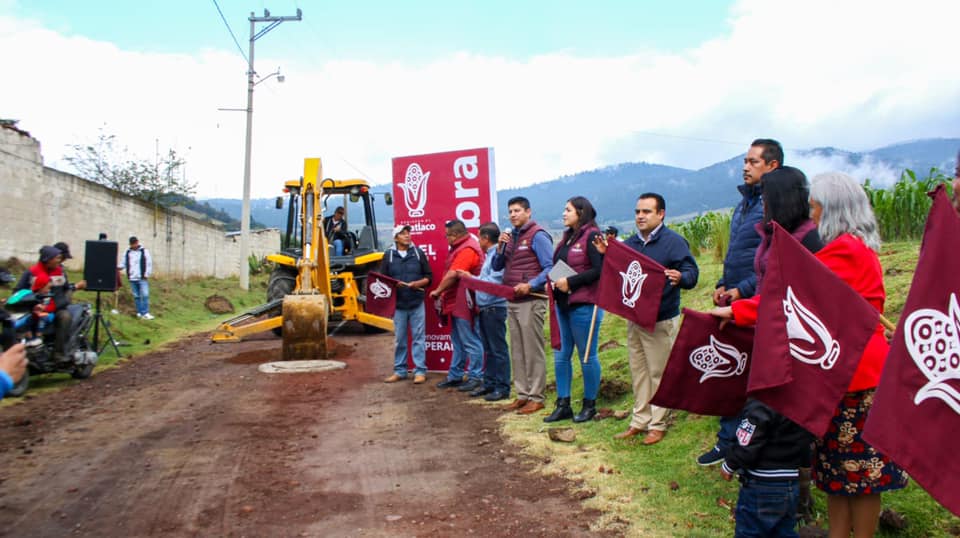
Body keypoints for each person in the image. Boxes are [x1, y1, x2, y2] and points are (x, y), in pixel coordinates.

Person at [710, 166, 824, 522]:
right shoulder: (772, 234)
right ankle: (764, 479)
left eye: (767, 197)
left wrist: (743, 309)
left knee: (788, 412)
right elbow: (765, 286)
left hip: (794, 340)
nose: (762, 205)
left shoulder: (806, 241)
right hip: (765, 326)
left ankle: (794, 496)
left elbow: (792, 298)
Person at [807, 172, 908, 538]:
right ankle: (838, 533)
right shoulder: (854, 247)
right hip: (845, 375)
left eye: (814, 205)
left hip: (859, 379)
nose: (811, 213)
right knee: (839, 469)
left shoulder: (845, 251)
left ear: (832, 208)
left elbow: (796, 297)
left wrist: (738, 312)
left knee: (862, 472)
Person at [699, 138, 781, 467]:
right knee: (730, 370)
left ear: (772, 166)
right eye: (745, 161)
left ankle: (746, 445)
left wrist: (743, 291)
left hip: (755, 301)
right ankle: (726, 441)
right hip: (734, 297)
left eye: (754, 162)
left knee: (751, 375)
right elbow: (738, 252)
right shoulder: (744, 204)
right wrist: (724, 284)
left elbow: (767, 262)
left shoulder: (773, 204)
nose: (746, 167)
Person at [608, 193, 699, 445]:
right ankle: (640, 420)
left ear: (661, 214)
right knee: (639, 371)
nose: (640, 216)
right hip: (635, 318)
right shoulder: (629, 244)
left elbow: (692, 272)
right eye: (638, 211)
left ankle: (658, 424)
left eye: (646, 212)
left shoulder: (673, 242)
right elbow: (616, 270)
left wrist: (681, 277)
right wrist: (606, 253)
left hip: (660, 319)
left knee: (659, 371)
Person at [490, 196, 554, 415]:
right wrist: (500, 246)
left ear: (528, 212)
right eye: (510, 211)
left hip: (532, 300)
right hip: (512, 299)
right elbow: (497, 266)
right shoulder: (510, 237)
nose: (513, 214)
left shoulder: (538, 236)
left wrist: (531, 284)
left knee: (532, 350)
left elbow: (550, 267)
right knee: (517, 349)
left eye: (517, 210)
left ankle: (537, 397)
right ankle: (522, 394)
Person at [545, 197, 604, 423]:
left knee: (587, 355)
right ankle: (563, 403)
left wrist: (572, 282)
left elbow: (599, 270)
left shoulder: (591, 236)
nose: (563, 213)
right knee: (561, 356)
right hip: (562, 304)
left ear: (581, 212)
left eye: (568, 209)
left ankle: (590, 405)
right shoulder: (567, 238)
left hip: (584, 305)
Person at [720, 397, 815, 537]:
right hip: (790, 482)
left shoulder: (762, 402)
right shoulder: (801, 400)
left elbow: (747, 442)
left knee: (749, 531)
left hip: (761, 485)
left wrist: (729, 464)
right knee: (783, 531)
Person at [457, 222, 510, 401]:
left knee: (498, 349)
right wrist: (473, 279)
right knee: (489, 349)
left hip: (495, 306)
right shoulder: (489, 255)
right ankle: (489, 384)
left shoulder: (498, 254)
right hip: (487, 307)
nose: (478, 240)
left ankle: (502, 387)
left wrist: (472, 279)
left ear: (485, 238)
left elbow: (494, 282)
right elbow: (486, 279)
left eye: (479, 237)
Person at [430, 220, 484, 391]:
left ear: (454, 235)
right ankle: (456, 375)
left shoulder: (467, 249)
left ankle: (476, 376)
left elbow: (454, 274)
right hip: (457, 301)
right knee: (459, 340)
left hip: (465, 302)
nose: (446, 239)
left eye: (447, 236)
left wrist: (438, 291)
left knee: (470, 340)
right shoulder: (462, 247)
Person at [381, 225, 433, 384]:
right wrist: (393, 284)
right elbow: (383, 280)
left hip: (416, 302)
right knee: (400, 339)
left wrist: (418, 284)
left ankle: (420, 371)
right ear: (395, 238)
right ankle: (400, 371)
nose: (407, 236)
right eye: (402, 234)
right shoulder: (388, 256)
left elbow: (429, 277)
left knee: (418, 338)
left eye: (408, 233)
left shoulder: (418, 253)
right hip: (398, 305)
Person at [15, 246, 82, 360]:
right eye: (57, 258)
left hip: (56, 308)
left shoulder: (60, 272)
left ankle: (59, 352)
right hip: (34, 308)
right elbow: (18, 291)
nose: (59, 261)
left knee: (65, 317)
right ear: (47, 259)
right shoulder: (31, 273)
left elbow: (65, 288)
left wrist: (61, 302)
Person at [120, 236, 154, 320]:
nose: (133, 245)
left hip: (142, 277)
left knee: (145, 295)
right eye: (132, 244)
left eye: (134, 243)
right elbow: (123, 263)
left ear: (137, 242)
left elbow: (149, 263)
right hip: (132, 278)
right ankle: (139, 312)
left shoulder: (144, 251)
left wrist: (147, 274)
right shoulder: (127, 252)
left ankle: (145, 313)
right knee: (136, 296)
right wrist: (118, 267)